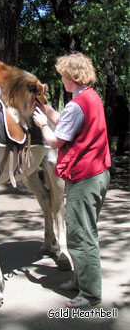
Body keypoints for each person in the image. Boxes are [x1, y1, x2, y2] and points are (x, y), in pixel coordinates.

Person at [33, 52, 111, 309]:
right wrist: (46, 110)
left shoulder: (78, 104)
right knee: (86, 231)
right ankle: (80, 279)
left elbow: (56, 139)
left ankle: (89, 294)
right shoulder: (89, 98)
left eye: (64, 75)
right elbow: (65, 122)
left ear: (73, 76)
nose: (62, 79)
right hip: (98, 173)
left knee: (80, 235)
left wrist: (43, 124)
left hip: (85, 177)